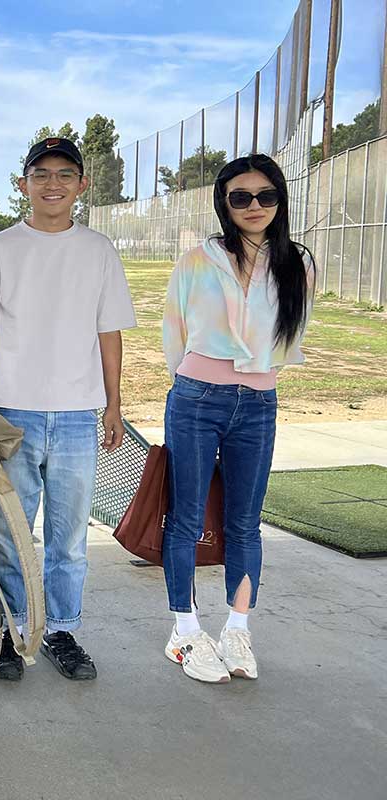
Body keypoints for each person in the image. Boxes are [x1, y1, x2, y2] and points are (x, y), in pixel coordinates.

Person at [0, 137, 136, 681]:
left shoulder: (98, 250)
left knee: (67, 535)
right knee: (8, 530)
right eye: (41, 174)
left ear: (82, 185)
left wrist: (113, 404)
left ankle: (62, 628)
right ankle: (15, 631)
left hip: (76, 413)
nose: (53, 184)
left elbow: (109, 331)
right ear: (23, 185)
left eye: (66, 174)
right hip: (13, 409)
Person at [160, 154, 314, 683]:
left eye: (265, 195)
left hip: (259, 404)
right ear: (224, 203)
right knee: (185, 517)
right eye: (240, 197)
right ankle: (184, 632)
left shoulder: (297, 263)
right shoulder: (198, 260)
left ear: (280, 200)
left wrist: (256, 376)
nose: (254, 206)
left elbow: (293, 333)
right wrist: (194, 378)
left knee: (246, 521)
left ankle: (237, 629)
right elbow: (174, 329)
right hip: (197, 399)